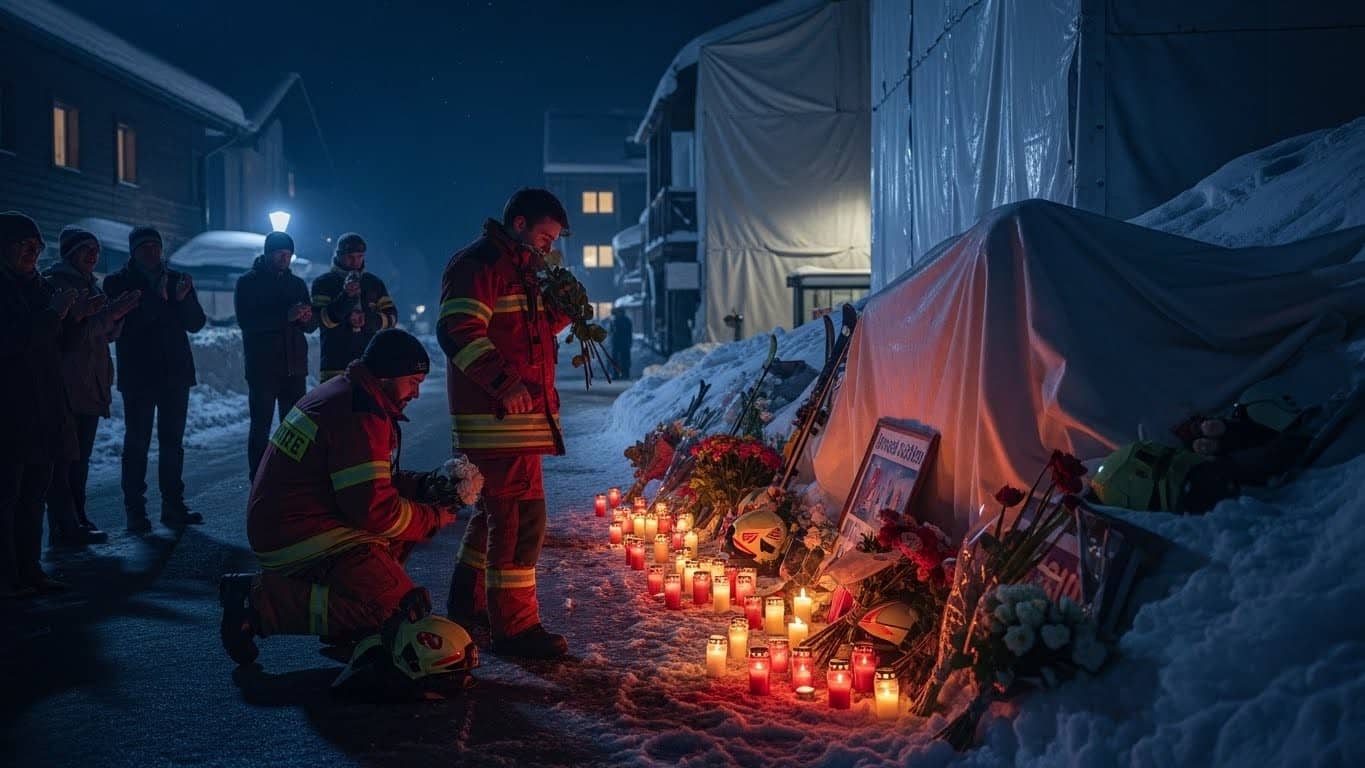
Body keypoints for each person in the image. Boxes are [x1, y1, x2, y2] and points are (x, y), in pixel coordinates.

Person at [218, 329, 461, 666]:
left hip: (296, 522)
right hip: (299, 534)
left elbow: (368, 480)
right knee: (394, 609)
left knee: (395, 563)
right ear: (388, 374)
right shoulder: (360, 414)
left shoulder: (350, 395)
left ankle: (348, 622)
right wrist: (433, 517)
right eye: (413, 381)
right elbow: (376, 512)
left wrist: (424, 486)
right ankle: (260, 604)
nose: (416, 393)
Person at [439, 188, 573, 659]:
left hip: (515, 419)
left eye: (553, 240)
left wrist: (560, 310)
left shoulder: (520, 270)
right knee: (520, 519)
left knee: (495, 514)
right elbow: (458, 332)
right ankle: (515, 630)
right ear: (518, 224)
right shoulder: (479, 266)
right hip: (499, 418)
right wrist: (504, 383)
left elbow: (523, 335)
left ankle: (469, 603)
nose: (547, 247)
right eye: (543, 236)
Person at [103, 226, 208, 532]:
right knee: (137, 443)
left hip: (175, 373)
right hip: (139, 375)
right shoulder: (118, 283)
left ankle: (173, 505)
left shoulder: (177, 280)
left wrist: (182, 299)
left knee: (172, 444)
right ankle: (135, 511)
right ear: (133, 252)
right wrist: (161, 299)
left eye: (155, 246)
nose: (151, 252)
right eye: (144, 247)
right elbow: (129, 325)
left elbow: (196, 323)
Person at [43, 227, 141, 545]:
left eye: (96, 249)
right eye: (87, 249)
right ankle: (65, 524)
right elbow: (70, 338)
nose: (93, 255)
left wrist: (116, 317)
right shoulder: (57, 285)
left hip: (90, 382)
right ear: (70, 253)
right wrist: (108, 315)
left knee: (80, 458)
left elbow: (100, 335)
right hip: (69, 384)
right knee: (66, 459)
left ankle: (78, 517)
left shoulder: (89, 284)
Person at [0, 212, 79, 597]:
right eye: (23, 246)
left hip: (43, 406)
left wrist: (77, 318)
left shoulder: (38, 286)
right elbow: (13, 340)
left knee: (34, 495)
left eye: (36, 246)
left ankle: (30, 569)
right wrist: (54, 315)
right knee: (7, 497)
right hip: (10, 407)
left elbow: (55, 344)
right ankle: (7, 576)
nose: (33, 253)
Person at [235, 231, 317, 481]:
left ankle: (292, 480)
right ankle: (259, 480)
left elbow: (311, 325)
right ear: (268, 253)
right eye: (281, 254)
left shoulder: (297, 284)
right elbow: (248, 321)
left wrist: (306, 318)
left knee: (294, 428)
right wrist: (286, 316)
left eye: (289, 254)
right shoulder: (249, 282)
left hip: (294, 366)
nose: (285, 259)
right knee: (261, 427)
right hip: (264, 367)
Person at [311, 233, 398, 383]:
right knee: (337, 406)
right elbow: (322, 321)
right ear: (338, 256)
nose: (355, 262)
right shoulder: (323, 284)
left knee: (367, 406)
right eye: (350, 257)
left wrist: (370, 319)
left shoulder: (373, 283)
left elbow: (392, 318)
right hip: (335, 366)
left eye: (360, 256)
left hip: (369, 364)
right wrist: (346, 298)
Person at [610, 306, 633, 381]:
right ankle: (622, 374)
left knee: (622, 359)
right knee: (622, 359)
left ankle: (621, 374)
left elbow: (613, 332)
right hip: (621, 342)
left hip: (620, 342)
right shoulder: (625, 320)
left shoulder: (617, 321)